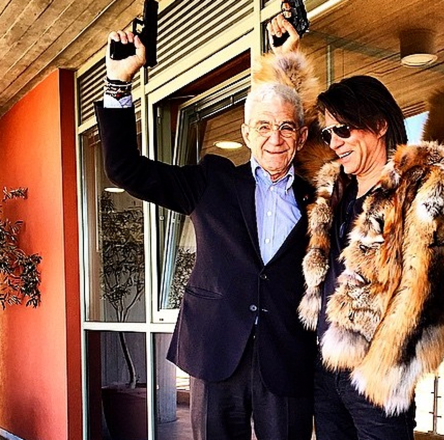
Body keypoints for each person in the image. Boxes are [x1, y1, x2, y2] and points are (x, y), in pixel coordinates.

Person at [95, 27, 320, 440]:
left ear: (302, 136)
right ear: (246, 133)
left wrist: (287, 60)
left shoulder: (319, 199)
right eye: (263, 127)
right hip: (216, 350)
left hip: (286, 357)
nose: (275, 138)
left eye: (287, 128)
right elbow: (125, 168)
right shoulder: (211, 182)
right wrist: (118, 82)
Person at [267, 15, 444, 440]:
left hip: (377, 376)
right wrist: (288, 59)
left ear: (378, 125)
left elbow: (435, 289)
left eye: (343, 129)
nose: (334, 141)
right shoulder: (335, 185)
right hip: (326, 369)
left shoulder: (422, 184)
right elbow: (297, 131)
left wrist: (385, 367)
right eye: (329, 133)